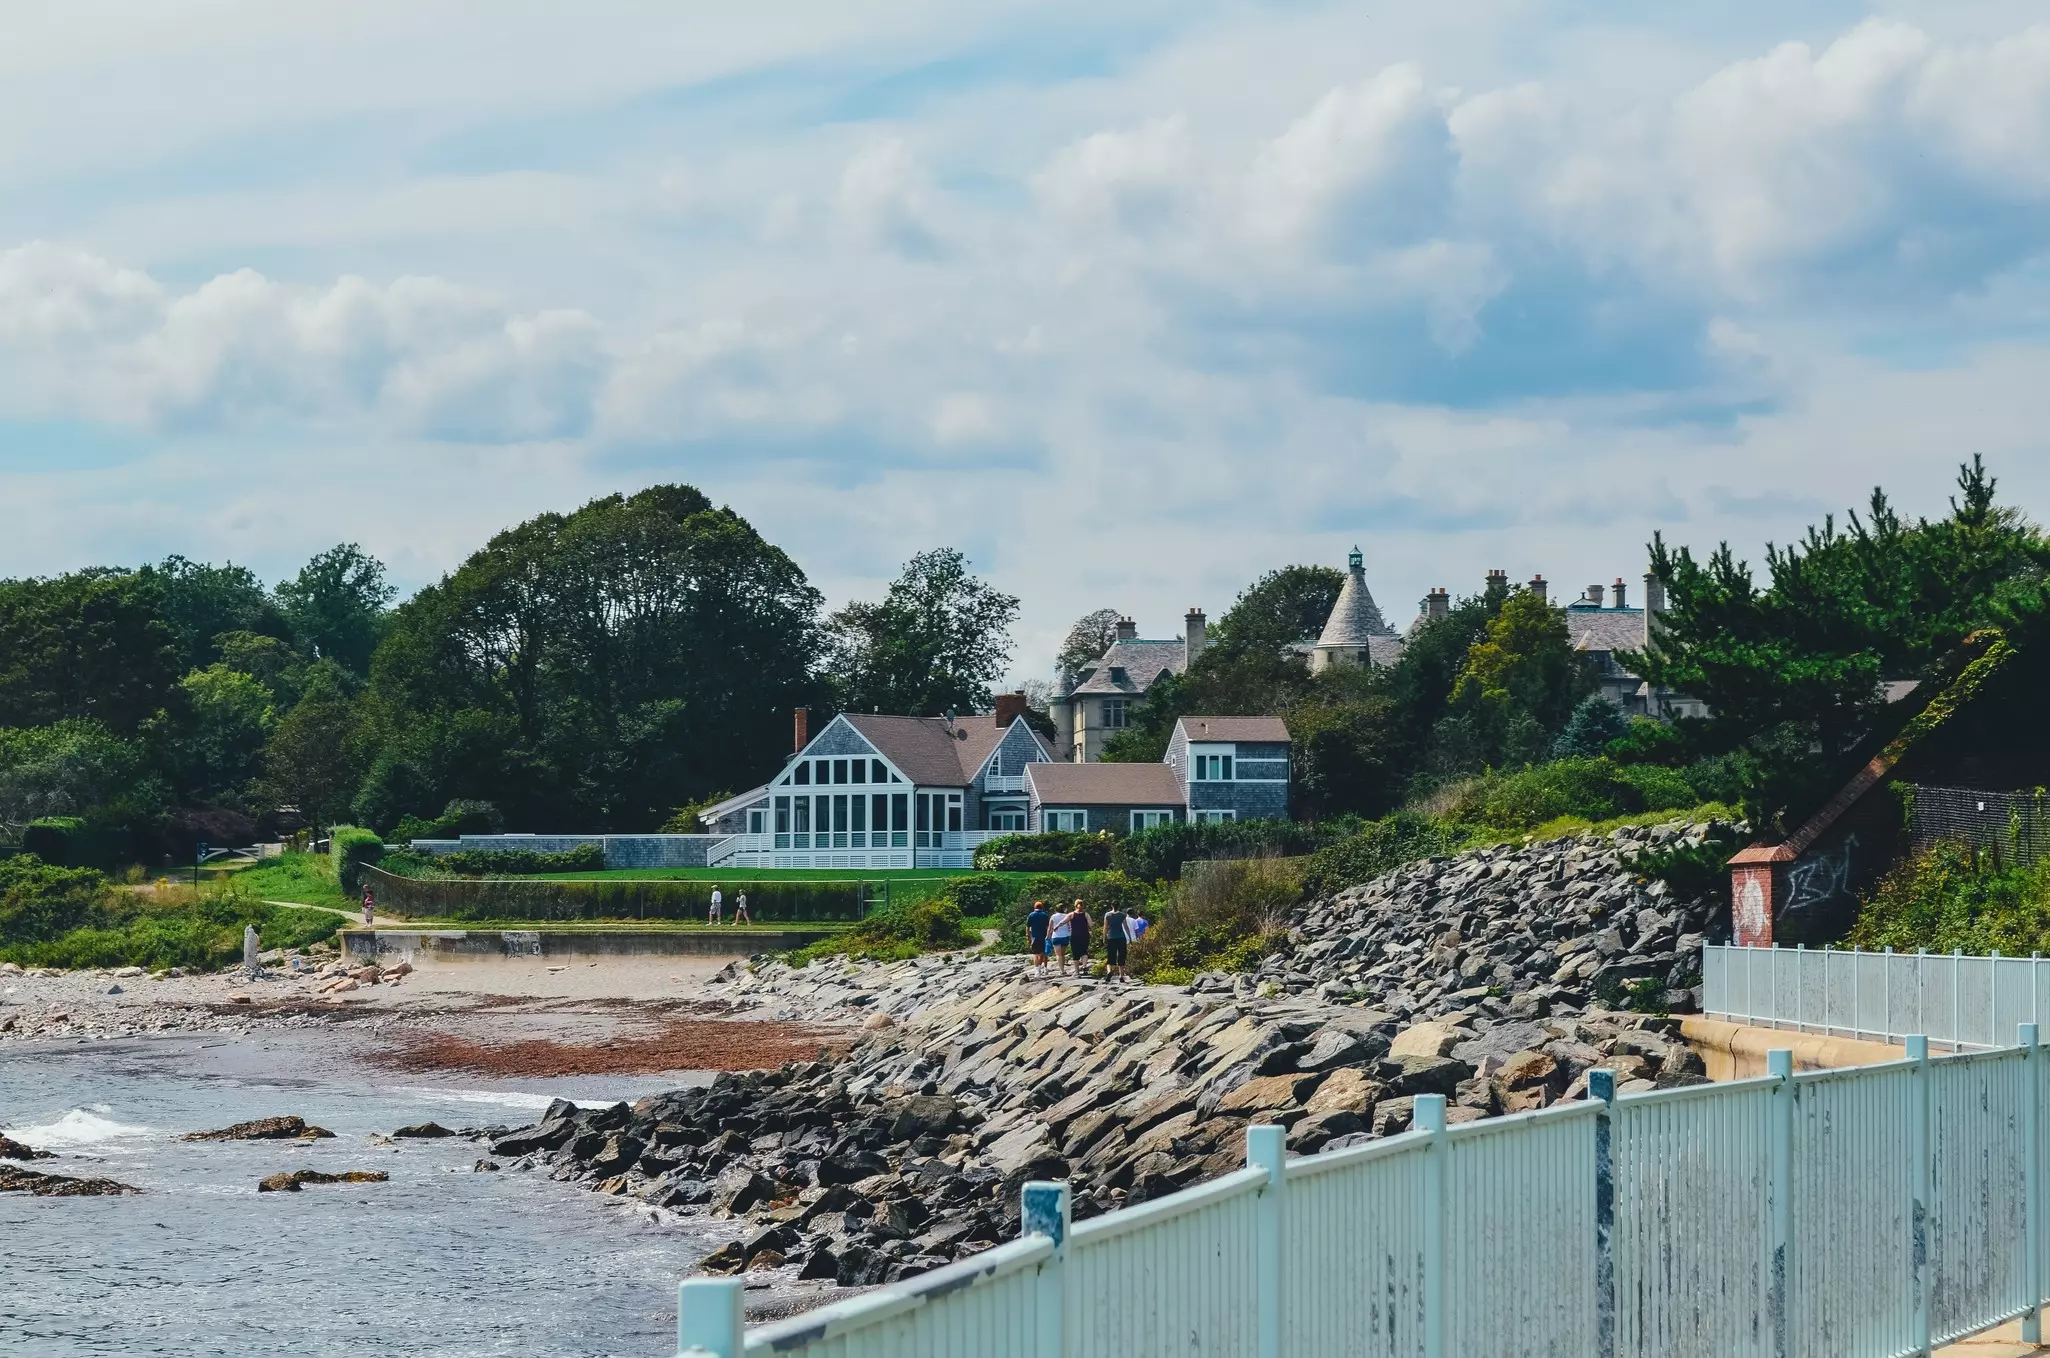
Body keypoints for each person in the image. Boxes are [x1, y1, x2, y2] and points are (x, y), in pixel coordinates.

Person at [1101, 899, 1130, 981]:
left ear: (1111, 905)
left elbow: (1105, 927)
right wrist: (1130, 937)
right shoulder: (1122, 915)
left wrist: (1104, 938)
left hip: (1111, 937)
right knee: (1121, 955)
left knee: (1111, 955)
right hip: (1121, 937)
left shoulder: (1108, 915)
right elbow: (1126, 927)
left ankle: (1109, 971)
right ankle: (1121, 975)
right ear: (1119, 906)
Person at [1048, 903, 1073, 977]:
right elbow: (1069, 926)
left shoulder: (1053, 916)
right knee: (1063, 954)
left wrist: (1048, 936)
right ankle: (1063, 969)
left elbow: (1050, 928)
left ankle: (1061, 970)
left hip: (1056, 936)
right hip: (1065, 936)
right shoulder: (1067, 916)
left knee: (1058, 954)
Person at [1025, 900, 1050, 974]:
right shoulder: (1045, 915)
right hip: (1043, 936)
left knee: (1035, 954)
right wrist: (1049, 936)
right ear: (1042, 907)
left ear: (1034, 907)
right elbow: (1048, 927)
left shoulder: (1031, 915)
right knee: (1042, 953)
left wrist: (1028, 936)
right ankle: (1040, 967)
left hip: (1034, 937)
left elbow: (1027, 926)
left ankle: (1037, 971)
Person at [1068, 899, 1093, 975]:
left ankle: (1077, 971)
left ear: (1075, 905)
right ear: (1083, 905)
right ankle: (1084, 966)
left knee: (1075, 954)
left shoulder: (1071, 914)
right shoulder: (1086, 914)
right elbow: (1091, 924)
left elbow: (1065, 922)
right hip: (1085, 935)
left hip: (1074, 936)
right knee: (1084, 951)